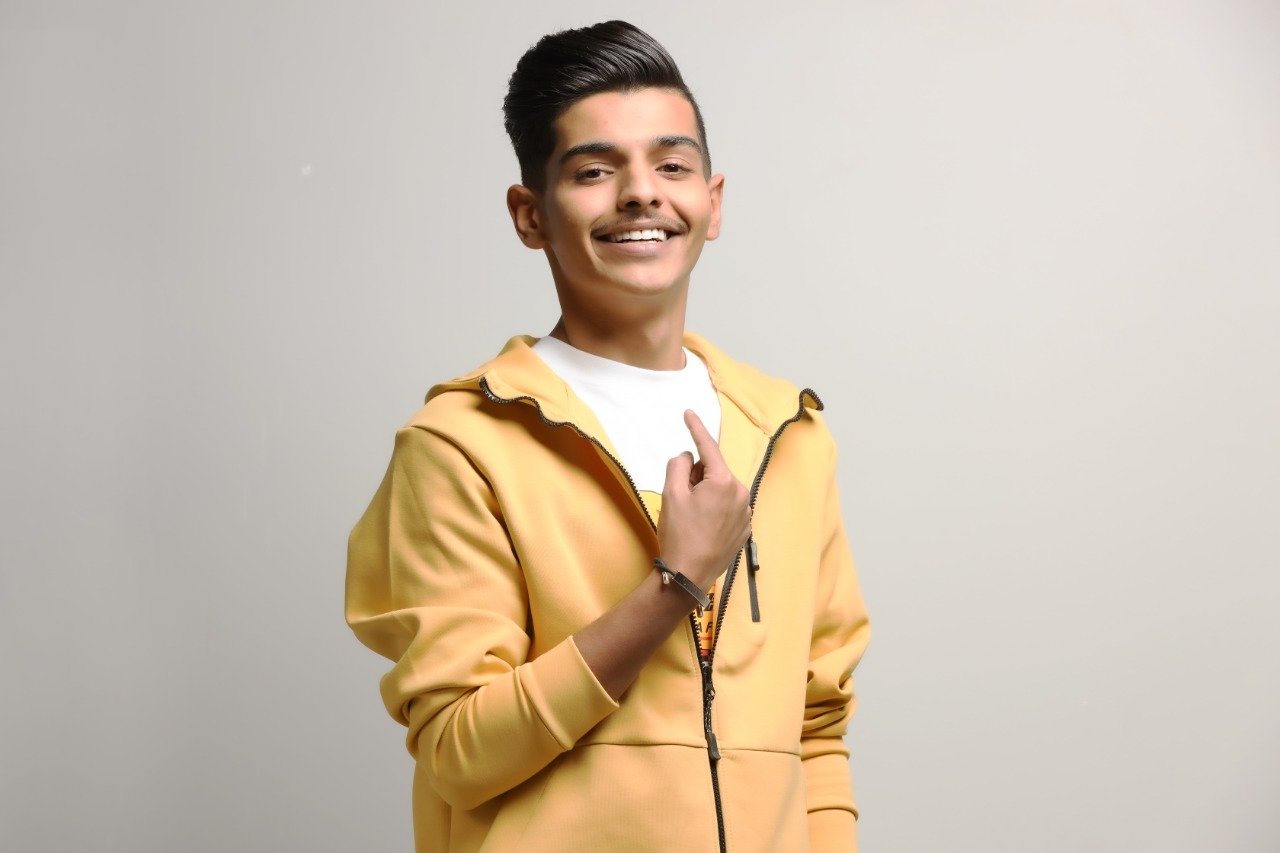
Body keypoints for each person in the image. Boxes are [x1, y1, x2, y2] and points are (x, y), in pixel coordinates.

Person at [346, 20, 871, 853]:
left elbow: (816, 726)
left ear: (714, 202)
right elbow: (459, 752)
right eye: (594, 171)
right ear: (531, 215)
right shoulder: (461, 446)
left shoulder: (788, 435)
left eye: (672, 166)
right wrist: (675, 584)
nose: (640, 194)